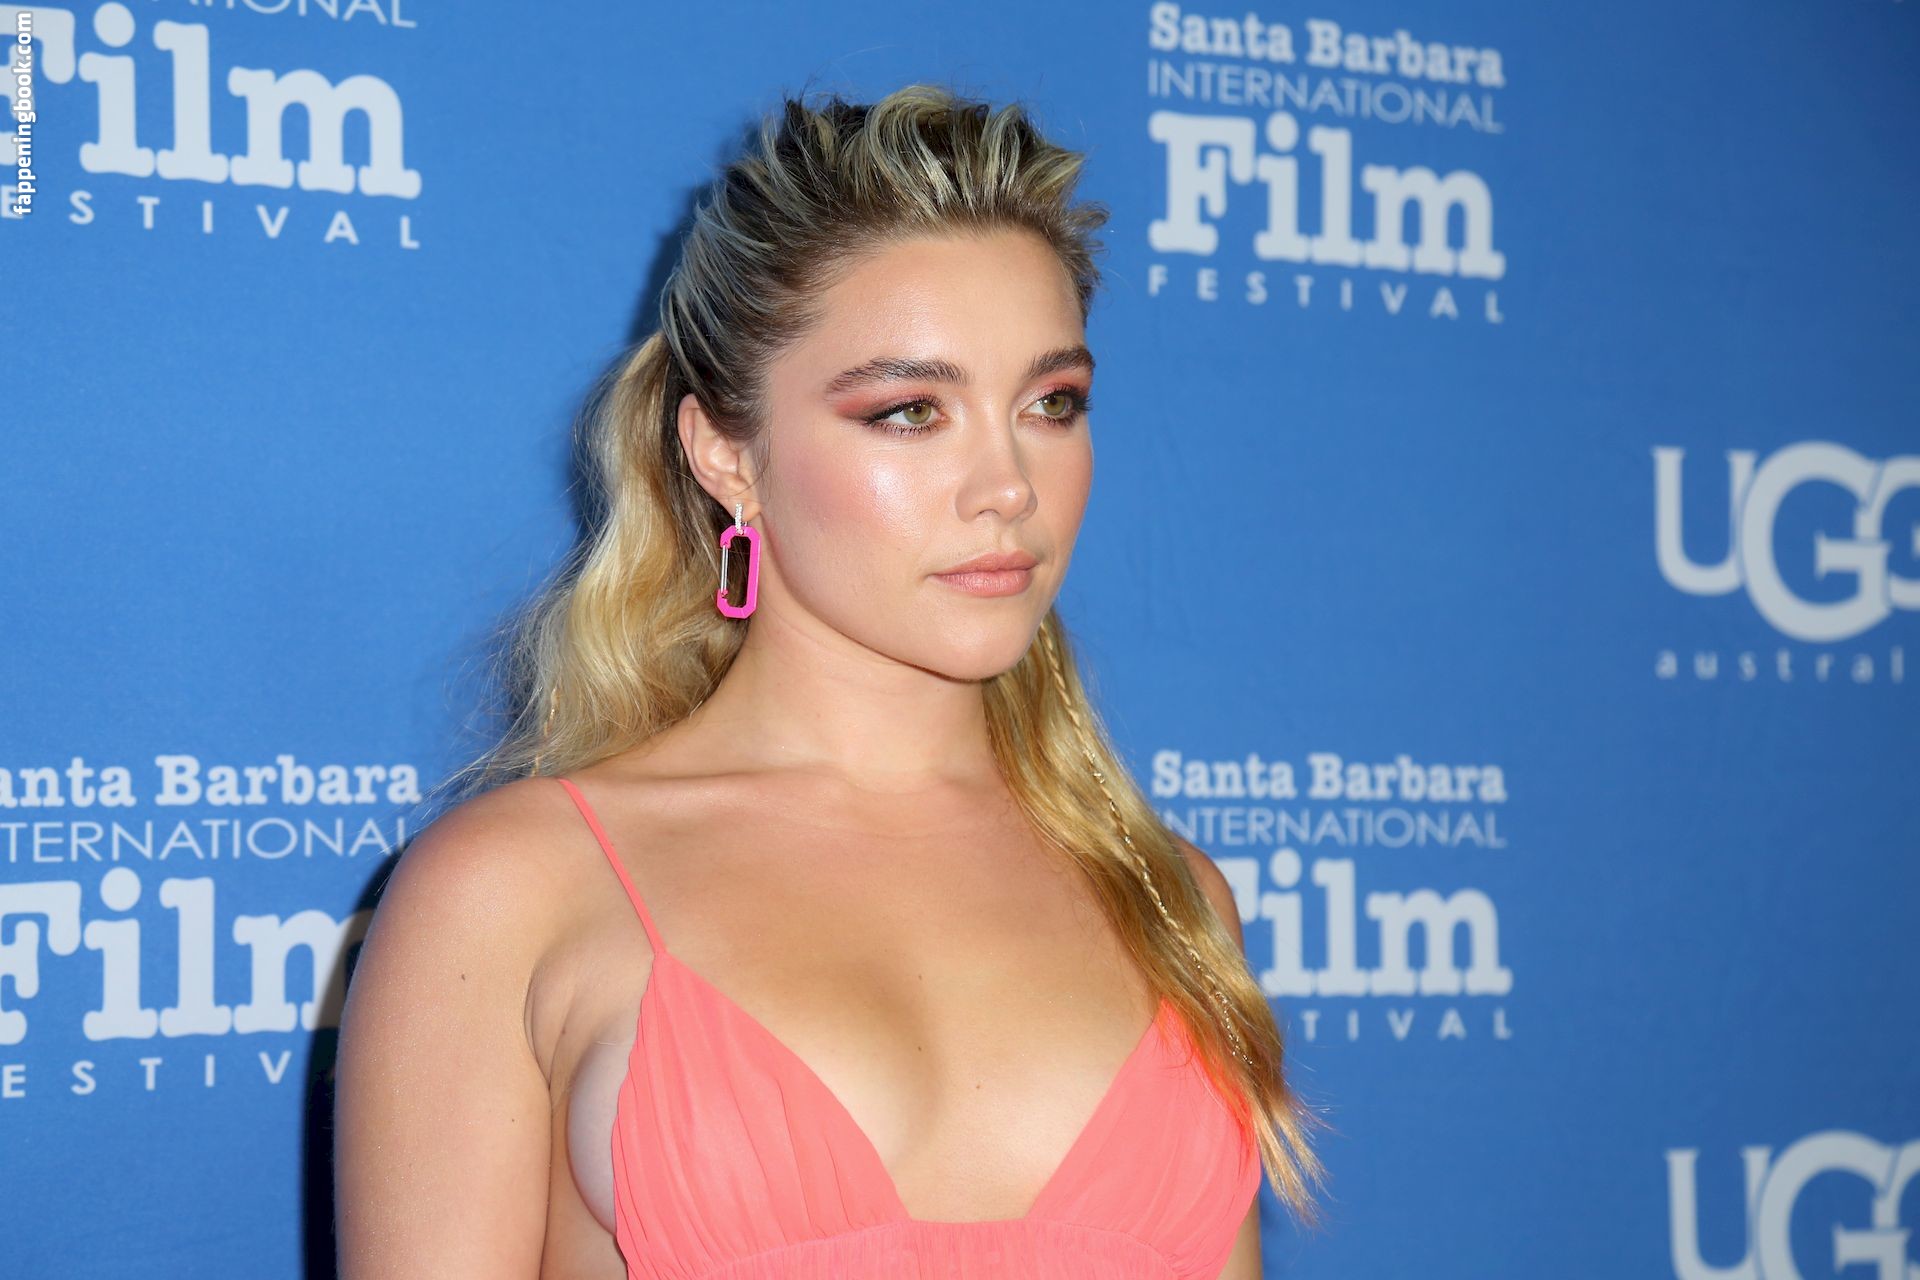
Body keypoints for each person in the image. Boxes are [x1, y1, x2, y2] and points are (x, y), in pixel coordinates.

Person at [333, 82, 1329, 1279]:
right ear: (727, 454)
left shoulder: (1171, 899)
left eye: (1051, 403)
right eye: (910, 411)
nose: (1008, 484)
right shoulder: (511, 893)